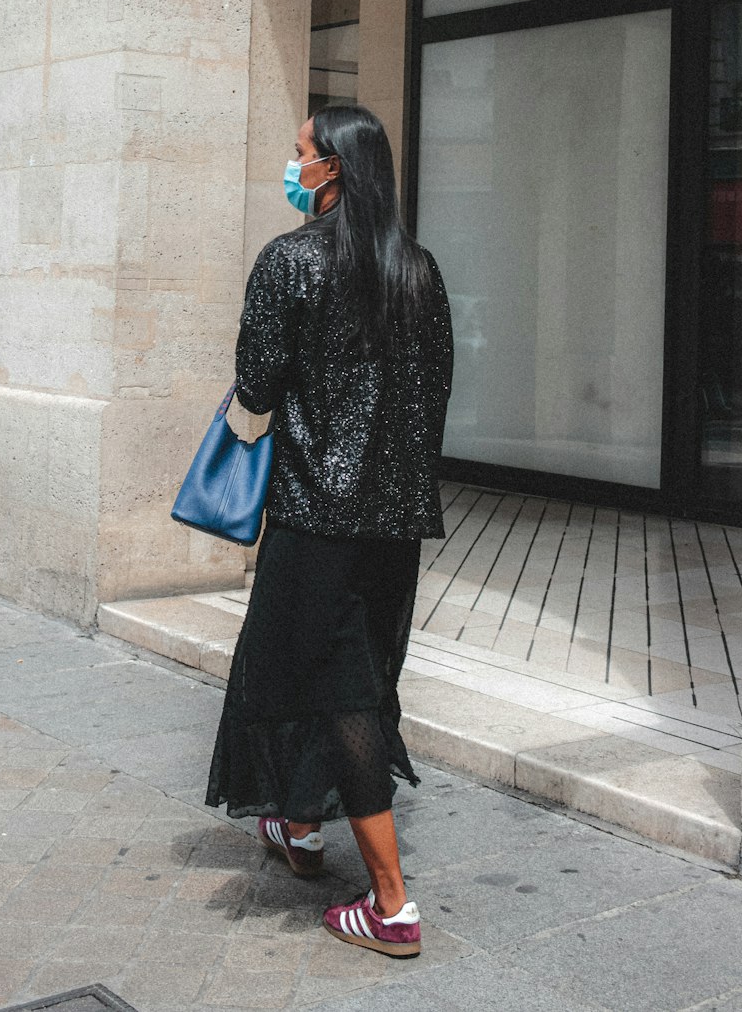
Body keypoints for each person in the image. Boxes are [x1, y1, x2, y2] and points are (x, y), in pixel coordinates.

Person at [206, 105, 454, 958]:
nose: (292, 162)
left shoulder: (292, 262)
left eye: (301, 152)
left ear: (334, 168)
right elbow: (435, 397)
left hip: (317, 514)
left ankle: (390, 903)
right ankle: (301, 826)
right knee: (353, 670)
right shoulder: (417, 270)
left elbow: (259, 379)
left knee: (334, 684)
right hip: (394, 520)